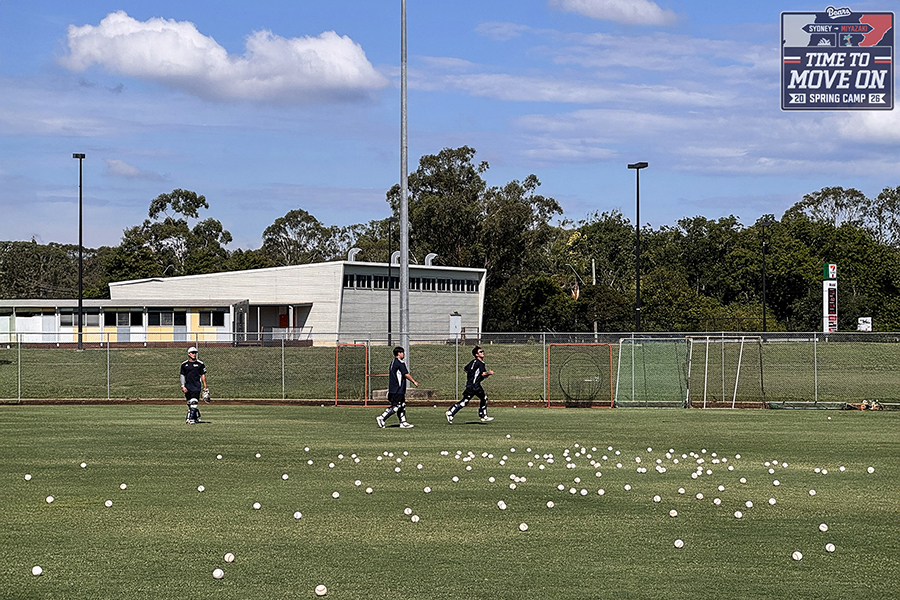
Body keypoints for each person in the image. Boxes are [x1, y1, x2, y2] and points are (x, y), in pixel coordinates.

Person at [446, 345, 494, 423]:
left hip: (473, 384)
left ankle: (483, 415)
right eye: (480, 352)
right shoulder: (480, 363)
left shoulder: (473, 362)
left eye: (482, 351)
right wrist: (489, 373)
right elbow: (483, 374)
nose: (483, 353)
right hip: (474, 386)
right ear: (477, 354)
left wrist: (472, 376)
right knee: (465, 401)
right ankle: (450, 412)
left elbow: (465, 369)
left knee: (483, 398)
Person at [376, 346, 418, 429]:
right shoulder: (400, 363)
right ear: (399, 353)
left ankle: (403, 422)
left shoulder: (393, 362)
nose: (404, 354)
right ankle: (382, 418)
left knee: (402, 405)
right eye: (402, 352)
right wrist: (414, 381)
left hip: (396, 389)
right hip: (397, 389)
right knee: (396, 406)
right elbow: (405, 374)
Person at [180, 346, 208, 424]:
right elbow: (182, 375)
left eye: (195, 353)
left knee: (194, 403)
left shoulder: (200, 364)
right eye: (192, 353)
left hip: (196, 386)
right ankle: (197, 415)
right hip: (187, 386)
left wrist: (205, 386)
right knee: (190, 404)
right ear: (189, 354)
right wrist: (183, 386)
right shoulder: (184, 364)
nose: (194, 354)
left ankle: (190, 419)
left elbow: (203, 375)